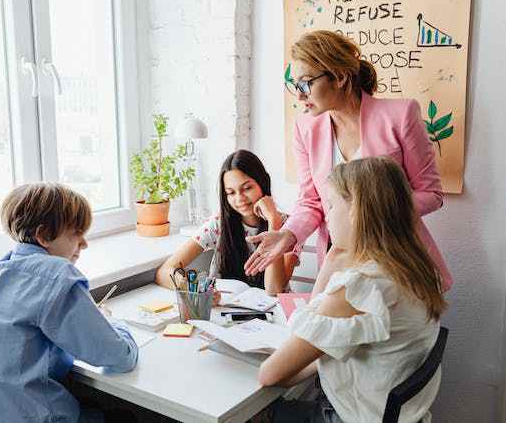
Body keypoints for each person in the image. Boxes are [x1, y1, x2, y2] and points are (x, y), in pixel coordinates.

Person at [244, 30, 453, 294]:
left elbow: (432, 194)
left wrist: (371, 212)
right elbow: (311, 201)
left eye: (306, 83)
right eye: (295, 85)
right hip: (340, 260)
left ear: (340, 77)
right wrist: (289, 234)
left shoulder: (400, 115)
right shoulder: (305, 128)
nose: (299, 95)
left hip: (396, 260)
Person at [258, 157, 447, 423]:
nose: (326, 214)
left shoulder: (363, 286)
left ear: (357, 210)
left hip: (347, 416)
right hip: (389, 414)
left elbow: (269, 374)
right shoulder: (414, 268)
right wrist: (335, 256)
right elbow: (315, 339)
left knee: (252, 413)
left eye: (332, 205)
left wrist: (333, 261)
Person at [0, 183, 138, 423]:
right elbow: (120, 357)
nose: (84, 244)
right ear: (44, 235)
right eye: (76, 233)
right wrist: (112, 323)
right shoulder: (56, 276)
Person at [156, 149, 302, 295]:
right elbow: (164, 271)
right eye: (231, 193)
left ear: (262, 183)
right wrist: (197, 290)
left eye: (247, 188)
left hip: (274, 313)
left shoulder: (290, 228)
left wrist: (274, 221)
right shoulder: (218, 224)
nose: (239, 199)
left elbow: (274, 290)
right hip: (225, 311)